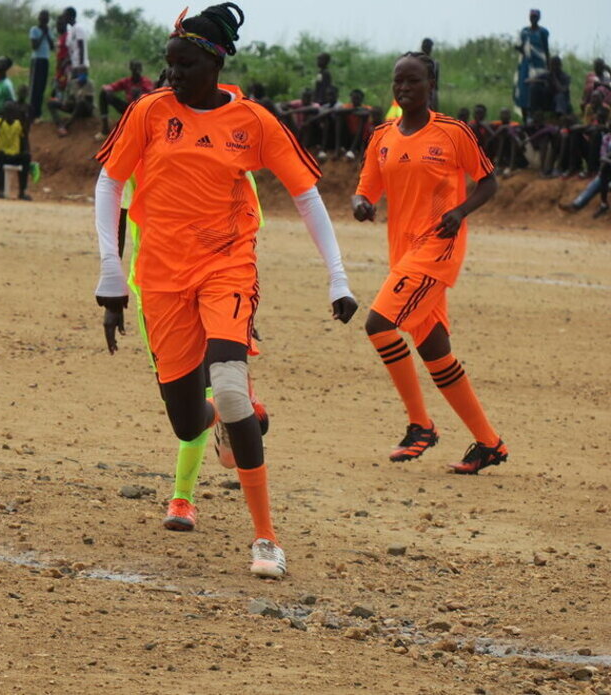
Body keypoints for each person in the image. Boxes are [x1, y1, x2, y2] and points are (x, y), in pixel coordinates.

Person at [93, 4, 356, 579]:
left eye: (183, 64)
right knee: (189, 422)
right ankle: (225, 425)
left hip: (226, 267)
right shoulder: (148, 113)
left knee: (232, 390)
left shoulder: (254, 122)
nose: (172, 75)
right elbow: (111, 182)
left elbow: (307, 196)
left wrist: (337, 275)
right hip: (161, 279)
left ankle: (266, 539)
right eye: (169, 64)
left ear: (214, 62)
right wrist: (111, 274)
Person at [352, 52, 506, 475]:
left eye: (413, 81)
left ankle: (420, 425)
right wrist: (361, 204)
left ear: (430, 84)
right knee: (435, 349)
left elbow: (489, 181)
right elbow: (365, 188)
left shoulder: (453, 132)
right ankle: (489, 443)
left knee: (378, 324)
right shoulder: (382, 135)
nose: (404, 88)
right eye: (398, 81)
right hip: (402, 254)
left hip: (437, 249)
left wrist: (461, 212)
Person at [99, 60, 155, 135]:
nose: (136, 71)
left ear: (141, 70)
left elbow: (151, 95)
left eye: (137, 69)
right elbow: (111, 86)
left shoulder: (146, 82)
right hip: (128, 108)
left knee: (137, 92)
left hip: (142, 111)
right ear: (131, 70)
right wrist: (107, 89)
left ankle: (138, 126)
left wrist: (140, 93)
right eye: (134, 69)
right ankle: (105, 129)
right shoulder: (127, 81)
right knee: (104, 94)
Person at [0, 101, 31, 200]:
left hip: (13, 155)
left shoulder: (17, 124)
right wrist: (2, 119)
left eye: (11, 112)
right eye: (7, 112)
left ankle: (22, 191)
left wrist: (24, 120)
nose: (10, 115)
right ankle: (0, 190)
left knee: (26, 156)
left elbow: (24, 135)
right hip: (1, 155)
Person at [515, 9, 549, 119]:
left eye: (535, 16)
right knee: (524, 90)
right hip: (526, 64)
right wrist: (522, 49)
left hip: (538, 65)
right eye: (531, 16)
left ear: (538, 18)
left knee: (536, 88)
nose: (533, 18)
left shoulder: (543, 32)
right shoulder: (524, 31)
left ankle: (536, 116)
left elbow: (545, 49)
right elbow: (519, 45)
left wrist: (548, 66)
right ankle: (525, 117)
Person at [47, 66, 93, 136]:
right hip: (74, 106)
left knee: (81, 103)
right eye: (81, 73)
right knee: (51, 103)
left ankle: (66, 126)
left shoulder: (90, 84)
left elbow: (89, 101)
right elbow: (69, 97)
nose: (82, 75)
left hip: (85, 109)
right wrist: (66, 102)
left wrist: (79, 98)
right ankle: (59, 124)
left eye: (84, 73)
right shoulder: (73, 83)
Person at [27, 11, 53, 121]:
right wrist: (43, 34)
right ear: (39, 18)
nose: (44, 20)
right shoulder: (34, 30)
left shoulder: (49, 31)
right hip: (36, 60)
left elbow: (52, 46)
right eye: (43, 18)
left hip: (45, 60)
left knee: (41, 87)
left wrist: (47, 33)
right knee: (34, 88)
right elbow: (35, 46)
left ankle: (38, 114)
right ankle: (31, 113)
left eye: (46, 18)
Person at [60, 7, 89, 77]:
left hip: (80, 67)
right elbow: (72, 51)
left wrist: (81, 65)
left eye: (65, 15)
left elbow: (81, 47)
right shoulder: (70, 31)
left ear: (70, 16)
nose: (63, 18)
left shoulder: (78, 28)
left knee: (80, 87)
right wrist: (65, 62)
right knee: (73, 86)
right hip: (73, 66)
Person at [421, 38, 439, 111]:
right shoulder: (416, 61)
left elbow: (436, 81)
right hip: (422, 90)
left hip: (430, 91)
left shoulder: (435, 63)